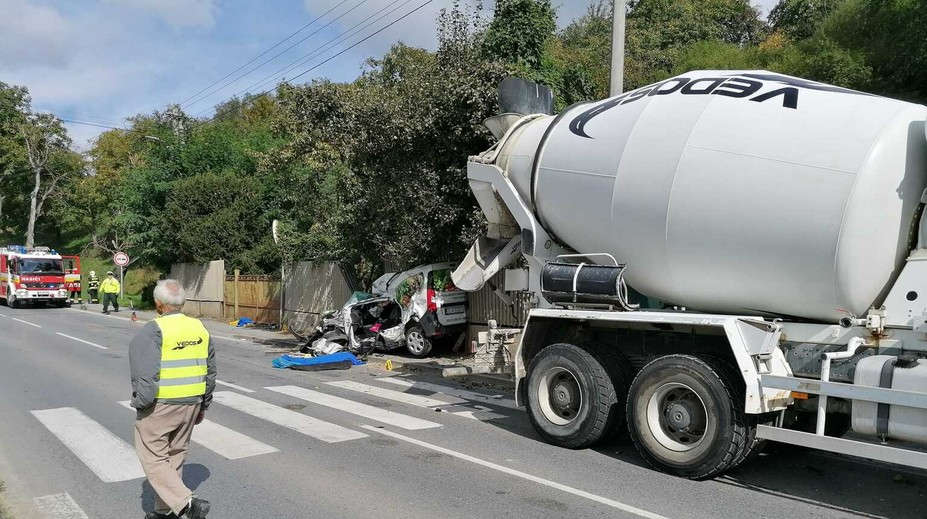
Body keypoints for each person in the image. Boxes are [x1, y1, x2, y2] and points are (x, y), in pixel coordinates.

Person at [130, 279, 215, 519]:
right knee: (175, 455)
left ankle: (187, 503)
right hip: (192, 402)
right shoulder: (199, 328)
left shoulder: (153, 329)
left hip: (161, 404)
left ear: (158, 303)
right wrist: (203, 404)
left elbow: (145, 374)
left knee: (153, 457)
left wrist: (141, 404)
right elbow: (210, 370)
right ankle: (165, 511)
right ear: (182, 302)